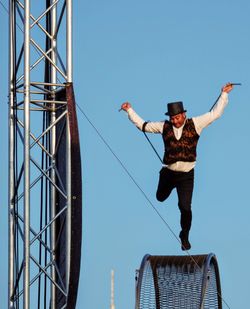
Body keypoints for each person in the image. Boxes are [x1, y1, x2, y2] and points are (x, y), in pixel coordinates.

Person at [120, 83, 234, 250]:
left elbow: (215, 114)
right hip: (169, 173)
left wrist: (223, 94)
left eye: (177, 118)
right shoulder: (163, 126)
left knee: (185, 207)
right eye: (172, 118)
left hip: (186, 175)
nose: (175, 121)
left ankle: (184, 235)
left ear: (183, 114)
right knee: (160, 197)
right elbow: (142, 125)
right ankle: (165, 181)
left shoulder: (196, 123)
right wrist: (130, 111)